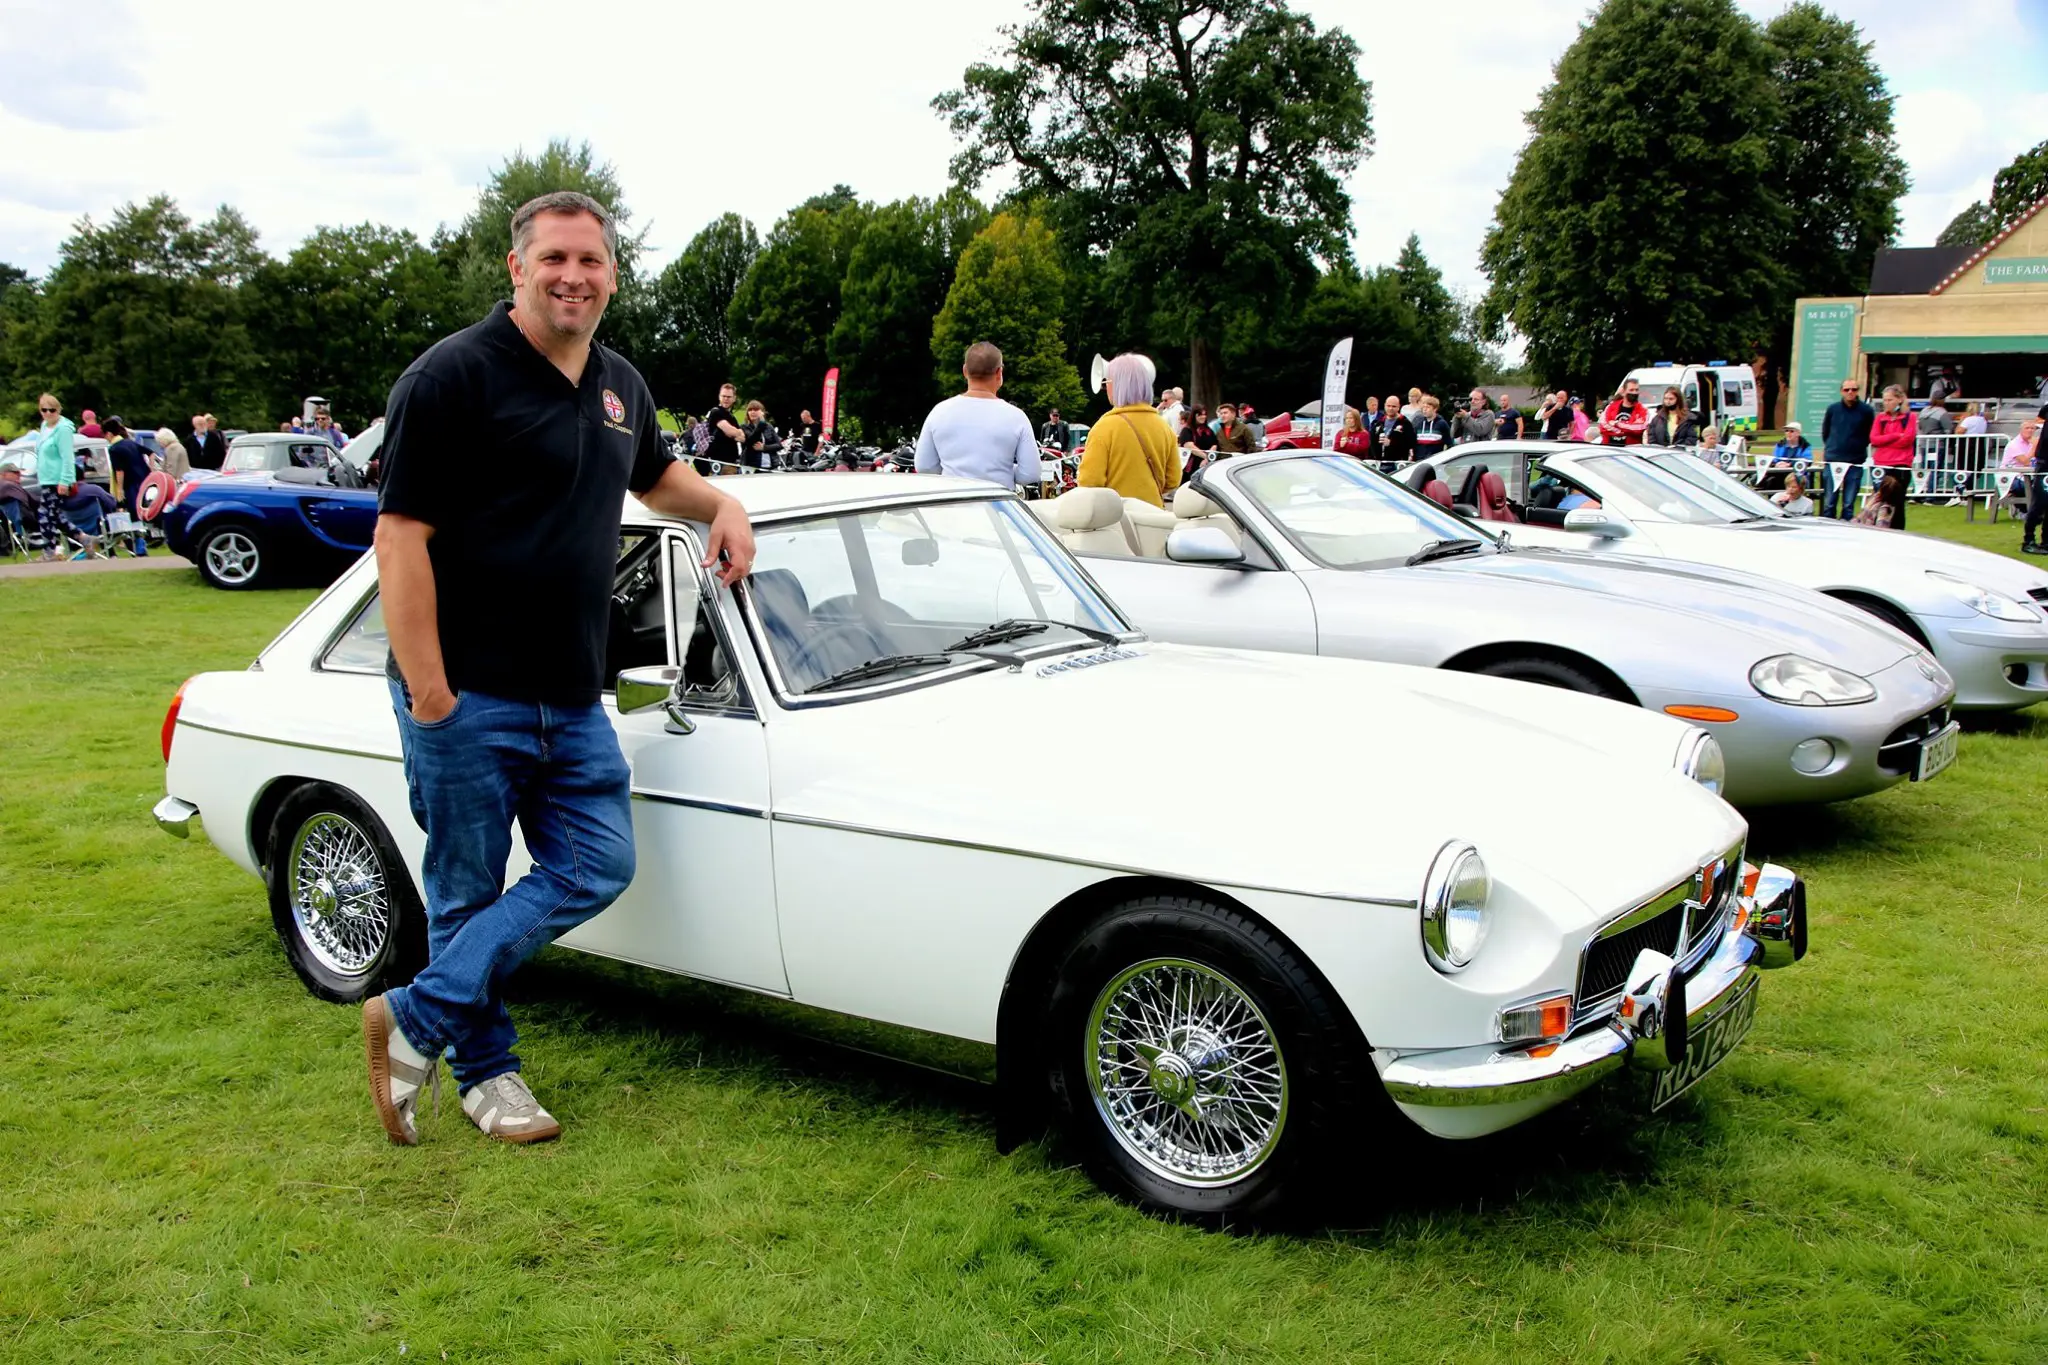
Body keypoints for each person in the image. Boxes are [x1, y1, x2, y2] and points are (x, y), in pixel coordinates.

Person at [365, 190, 757, 1149]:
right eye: (554, 260)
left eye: (590, 261)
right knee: (463, 890)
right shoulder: (452, 377)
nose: (573, 277)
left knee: (597, 863)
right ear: (517, 268)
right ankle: (489, 1078)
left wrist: (722, 507)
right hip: (466, 690)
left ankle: (414, 1014)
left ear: (613, 274)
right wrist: (430, 694)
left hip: (573, 693)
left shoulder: (619, 380)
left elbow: (655, 476)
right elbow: (398, 536)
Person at [913, 341, 1039, 490]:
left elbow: (924, 467)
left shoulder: (939, 412)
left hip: (951, 504)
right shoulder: (1017, 417)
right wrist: (1002, 471)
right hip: (997, 505)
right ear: (999, 373)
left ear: (965, 371)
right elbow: (1030, 474)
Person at [1077, 353, 1180, 506]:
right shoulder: (1164, 426)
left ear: (1118, 385)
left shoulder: (1104, 427)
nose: (1105, 387)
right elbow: (1173, 480)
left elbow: (1089, 481)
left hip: (1116, 519)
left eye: (1107, 382)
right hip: (1154, 515)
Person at [31, 394, 97, 559]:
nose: (47, 413)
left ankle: (50, 551)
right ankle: (83, 537)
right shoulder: (45, 427)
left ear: (58, 410)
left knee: (45, 515)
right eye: (44, 410)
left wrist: (65, 480)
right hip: (46, 478)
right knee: (54, 515)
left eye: (51, 410)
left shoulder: (63, 429)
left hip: (57, 478)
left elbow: (68, 457)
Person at [1820, 378, 1875, 518]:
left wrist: (1859, 446)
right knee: (1829, 503)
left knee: (1848, 504)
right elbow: (1826, 431)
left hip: (1855, 461)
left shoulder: (1867, 411)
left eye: (1854, 389)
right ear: (1841, 391)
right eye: (1847, 389)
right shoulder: (1833, 409)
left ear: (1858, 391)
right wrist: (1831, 447)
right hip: (1833, 460)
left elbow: (1870, 433)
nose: (1850, 392)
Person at [104, 416, 152, 555]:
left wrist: (119, 489)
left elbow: (119, 470)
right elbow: (150, 453)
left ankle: (137, 544)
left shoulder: (114, 449)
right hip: (142, 483)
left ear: (109, 434)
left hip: (130, 485)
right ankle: (140, 542)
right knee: (138, 514)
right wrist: (151, 468)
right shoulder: (130, 443)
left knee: (129, 515)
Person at [1869, 384, 1915, 530]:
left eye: (1889, 400)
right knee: (1879, 499)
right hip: (1881, 464)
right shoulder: (1880, 418)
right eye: (1884, 400)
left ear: (1899, 400)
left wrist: (1886, 440)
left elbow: (1907, 439)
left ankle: (1898, 530)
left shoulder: (1910, 417)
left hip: (1901, 464)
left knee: (1898, 502)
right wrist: (1895, 436)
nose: (1886, 403)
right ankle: (1878, 527)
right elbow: (1874, 439)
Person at [2014, 405, 2047, 554]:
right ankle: (2028, 540)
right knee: (2039, 504)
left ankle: (2045, 541)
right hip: (2045, 465)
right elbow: (2040, 416)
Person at [703, 382, 744, 476]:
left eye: (729, 397)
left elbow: (742, 437)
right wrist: (735, 433)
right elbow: (731, 432)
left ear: (734, 398)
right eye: (723, 396)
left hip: (731, 462)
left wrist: (736, 433)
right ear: (719, 396)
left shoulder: (731, 417)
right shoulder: (716, 412)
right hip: (718, 463)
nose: (726, 399)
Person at [1599, 379, 1649, 446]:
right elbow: (1603, 426)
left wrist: (1617, 424)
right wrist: (1625, 430)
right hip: (1609, 448)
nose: (1634, 393)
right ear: (1624, 391)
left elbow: (1639, 428)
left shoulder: (1643, 410)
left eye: (1636, 390)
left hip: (1630, 450)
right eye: (1631, 390)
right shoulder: (1611, 407)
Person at [1178, 404, 1217, 474]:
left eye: (1204, 414)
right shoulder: (1187, 430)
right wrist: (1206, 457)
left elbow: (1214, 444)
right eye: (1200, 415)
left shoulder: (1208, 430)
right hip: (1191, 465)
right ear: (1194, 415)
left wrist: (1207, 459)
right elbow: (1189, 446)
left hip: (1207, 465)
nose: (1203, 417)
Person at [1412, 394, 1451, 463]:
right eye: (1423, 407)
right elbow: (1413, 443)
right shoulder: (1419, 424)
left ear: (1435, 409)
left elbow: (1449, 443)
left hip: (1435, 462)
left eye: (1428, 407)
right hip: (1419, 461)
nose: (1425, 410)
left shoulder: (1442, 424)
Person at [742, 400, 778, 472]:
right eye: (750, 410)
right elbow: (750, 442)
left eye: (756, 410)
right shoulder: (744, 427)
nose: (752, 412)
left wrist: (764, 448)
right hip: (752, 466)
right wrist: (761, 425)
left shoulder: (769, 427)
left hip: (770, 465)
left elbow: (779, 445)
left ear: (762, 412)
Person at [1379, 396, 1417, 462]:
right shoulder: (1379, 423)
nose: (1391, 408)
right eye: (1388, 406)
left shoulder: (1405, 423)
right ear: (1385, 406)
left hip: (1398, 463)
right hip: (1379, 463)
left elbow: (1411, 443)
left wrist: (1391, 443)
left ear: (1398, 407)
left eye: (1394, 406)